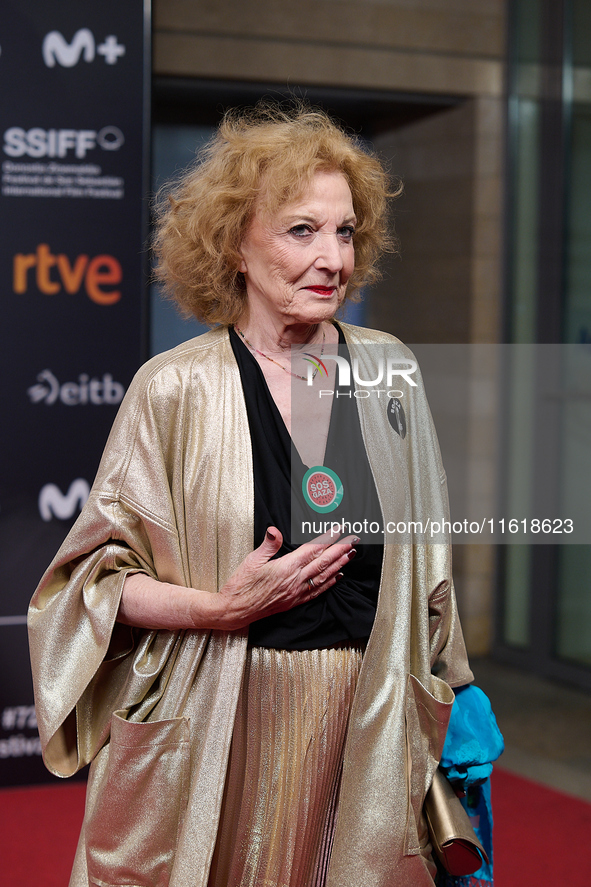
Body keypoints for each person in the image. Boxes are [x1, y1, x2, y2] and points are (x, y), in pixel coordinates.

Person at [28, 104, 474, 887]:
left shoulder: (389, 369)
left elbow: (426, 560)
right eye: (301, 230)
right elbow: (87, 584)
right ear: (234, 243)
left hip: (370, 725)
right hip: (222, 724)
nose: (331, 257)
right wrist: (217, 608)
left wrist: (457, 691)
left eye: (343, 231)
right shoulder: (171, 389)